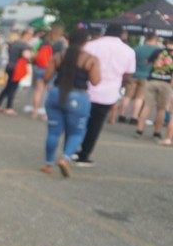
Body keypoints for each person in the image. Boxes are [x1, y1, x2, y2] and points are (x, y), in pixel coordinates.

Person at [40, 28, 100, 177]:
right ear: (86, 41)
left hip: (56, 95)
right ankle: (65, 158)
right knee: (76, 132)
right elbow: (95, 81)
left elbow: (46, 76)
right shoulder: (91, 59)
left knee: (53, 132)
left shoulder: (59, 56)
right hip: (78, 97)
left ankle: (48, 164)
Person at [75, 24, 134, 166]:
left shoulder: (91, 46)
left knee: (79, 122)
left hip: (86, 89)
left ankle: (70, 149)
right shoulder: (128, 51)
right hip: (109, 93)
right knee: (95, 125)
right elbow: (128, 75)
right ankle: (84, 155)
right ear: (122, 35)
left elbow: (80, 65)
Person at [123, 33, 162, 125]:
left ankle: (122, 115)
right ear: (155, 39)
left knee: (127, 96)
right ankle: (134, 117)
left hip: (134, 74)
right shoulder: (157, 50)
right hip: (146, 76)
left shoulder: (138, 48)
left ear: (146, 38)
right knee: (139, 98)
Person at [138, 36, 172, 142]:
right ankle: (157, 133)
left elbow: (147, 62)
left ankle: (139, 130)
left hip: (151, 80)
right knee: (161, 109)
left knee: (147, 106)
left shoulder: (157, 51)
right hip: (166, 83)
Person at [0, 29, 32, 115]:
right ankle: (9, 107)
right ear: (26, 35)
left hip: (9, 65)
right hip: (17, 68)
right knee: (13, 88)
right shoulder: (24, 45)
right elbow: (27, 56)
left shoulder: (14, 43)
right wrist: (30, 59)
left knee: (8, 86)